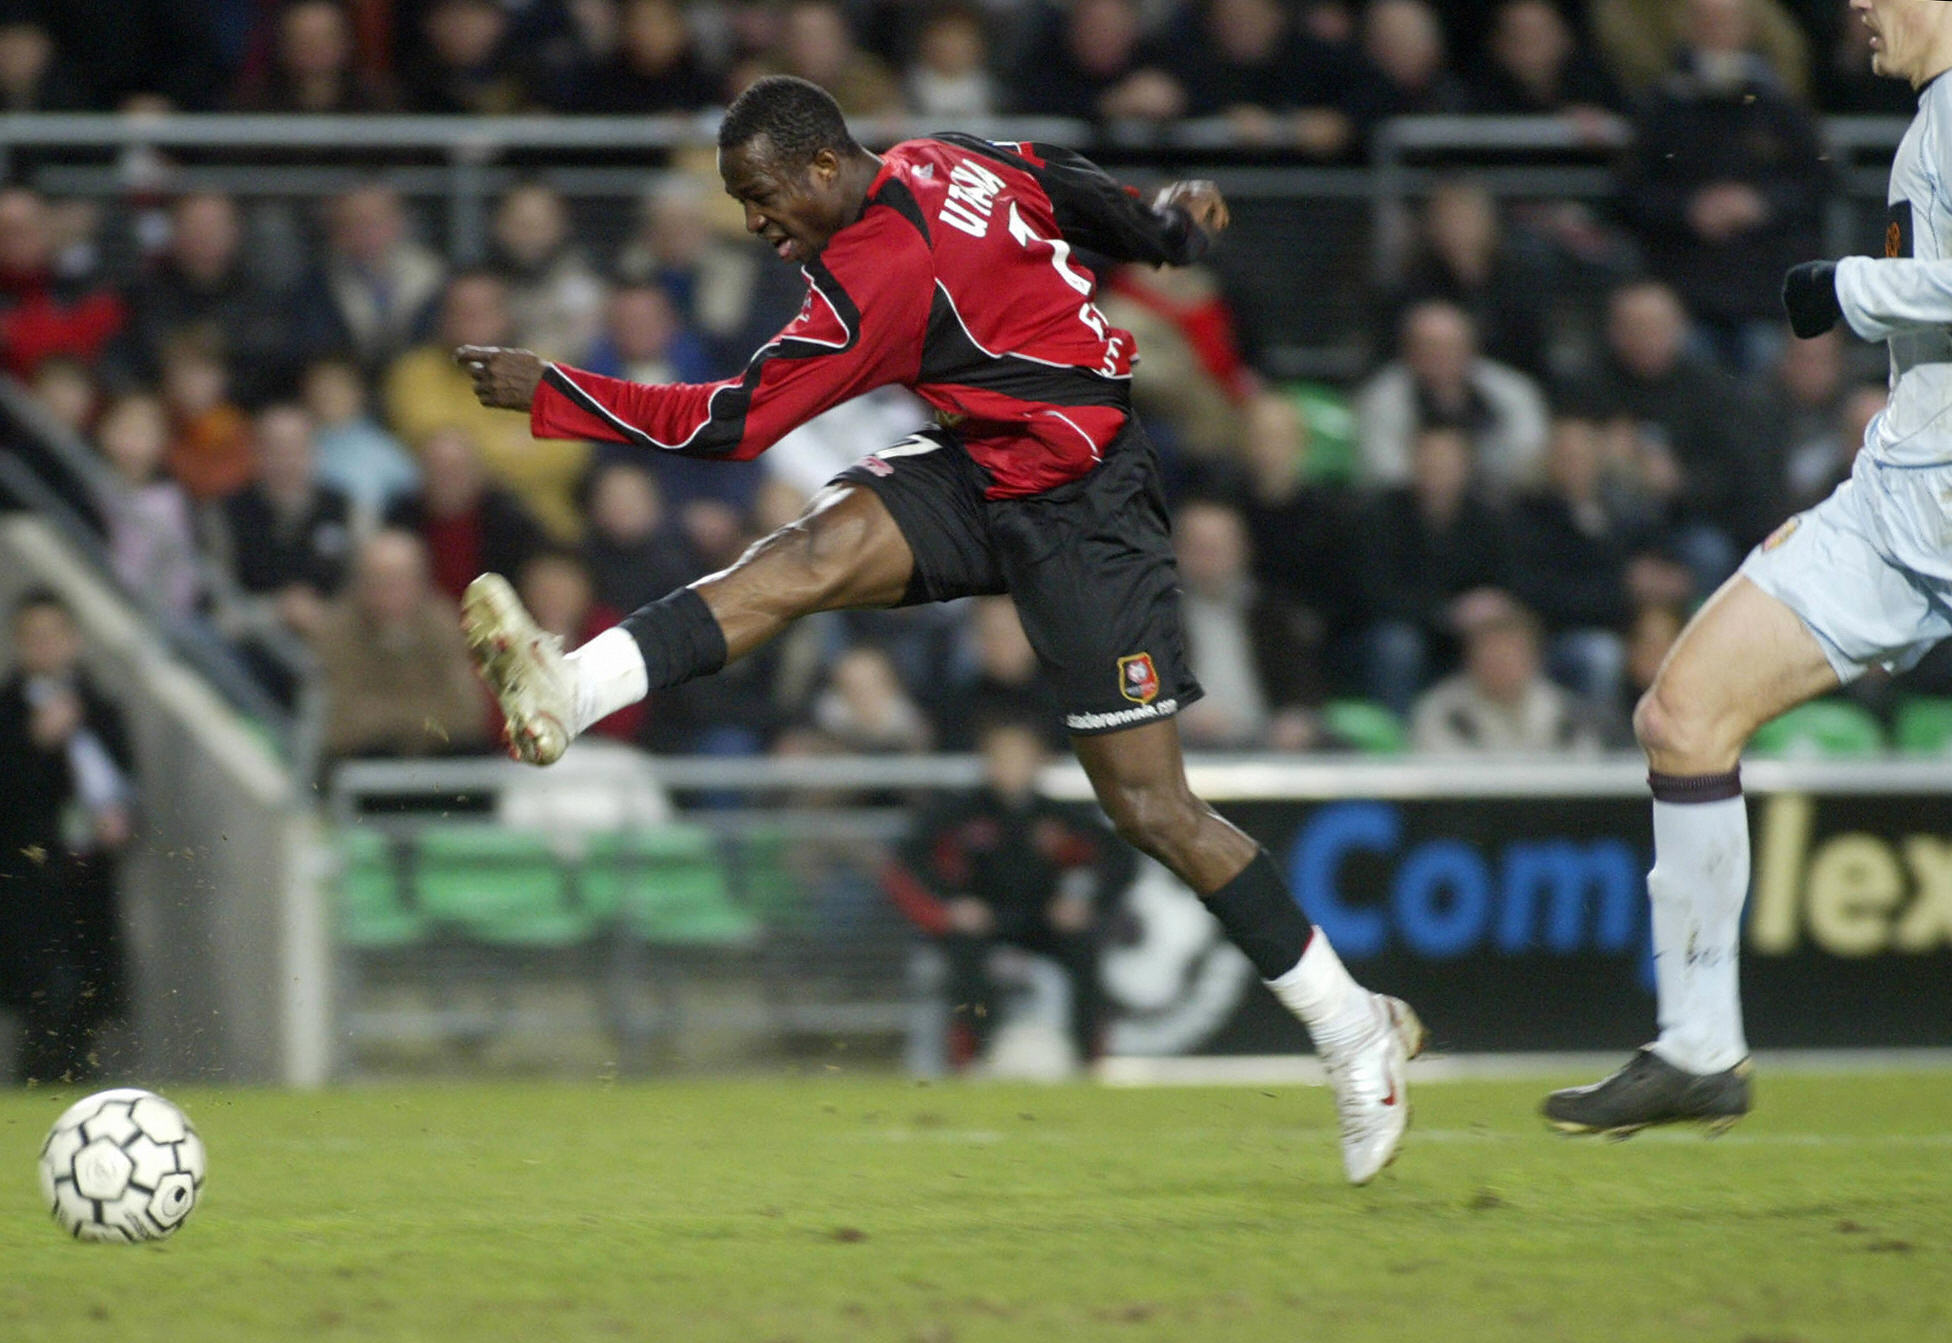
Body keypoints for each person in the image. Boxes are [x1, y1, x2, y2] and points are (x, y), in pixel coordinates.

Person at [454, 75, 1423, 1184]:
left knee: (1150, 805)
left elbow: (732, 423)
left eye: (759, 193)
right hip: (981, 462)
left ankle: (1356, 1030)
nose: (752, 219)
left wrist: (555, 393)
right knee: (804, 557)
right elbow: (1056, 182)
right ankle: (567, 691)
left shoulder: (879, 276)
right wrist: (1156, 227)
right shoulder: (941, 156)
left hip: (1082, 502)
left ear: (823, 166)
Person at [1543, 0, 1952, 1136]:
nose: (1855, 10)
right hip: (1896, 505)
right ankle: (1696, 1046)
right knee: (1679, 715)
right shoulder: (1926, 122)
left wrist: (1845, 288)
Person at [884, 714, 1136, 1071]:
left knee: (1084, 951)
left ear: (1038, 762)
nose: (1010, 767)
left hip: (1044, 921)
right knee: (965, 962)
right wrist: (951, 907)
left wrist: (1085, 903)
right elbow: (908, 863)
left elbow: (1119, 860)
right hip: (983, 921)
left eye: (1019, 757)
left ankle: (1088, 1061)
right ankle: (972, 1060)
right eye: (1002, 757)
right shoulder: (960, 814)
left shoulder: (1061, 816)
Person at [0, 589, 134, 1083]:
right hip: (31, 888)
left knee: (87, 1006)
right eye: (33, 638)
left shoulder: (100, 710)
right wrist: (35, 746)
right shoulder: (9, 716)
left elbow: (128, 786)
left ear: (74, 641)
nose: (45, 648)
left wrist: (121, 823)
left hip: (90, 882)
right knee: (43, 1002)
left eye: (54, 636)